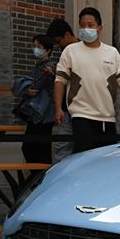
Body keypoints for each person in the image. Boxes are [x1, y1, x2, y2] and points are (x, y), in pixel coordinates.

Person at [53, 7, 120, 153]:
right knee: (84, 156)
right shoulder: (70, 51)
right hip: (81, 115)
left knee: (107, 159)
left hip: (108, 118)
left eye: (90, 25)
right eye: (82, 25)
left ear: (99, 27)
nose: (86, 28)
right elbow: (60, 80)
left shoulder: (112, 52)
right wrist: (58, 107)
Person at [17, 34, 56, 165]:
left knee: (35, 150)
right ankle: (37, 179)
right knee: (34, 149)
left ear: (48, 50)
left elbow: (48, 88)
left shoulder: (50, 67)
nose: (35, 49)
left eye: (39, 47)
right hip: (38, 113)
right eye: (34, 46)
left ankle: (39, 179)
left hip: (44, 114)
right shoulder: (39, 66)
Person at [46, 18, 79, 162]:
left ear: (67, 35)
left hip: (83, 111)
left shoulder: (85, 50)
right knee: (62, 150)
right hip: (66, 111)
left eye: (58, 41)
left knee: (80, 151)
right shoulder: (64, 53)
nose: (57, 46)